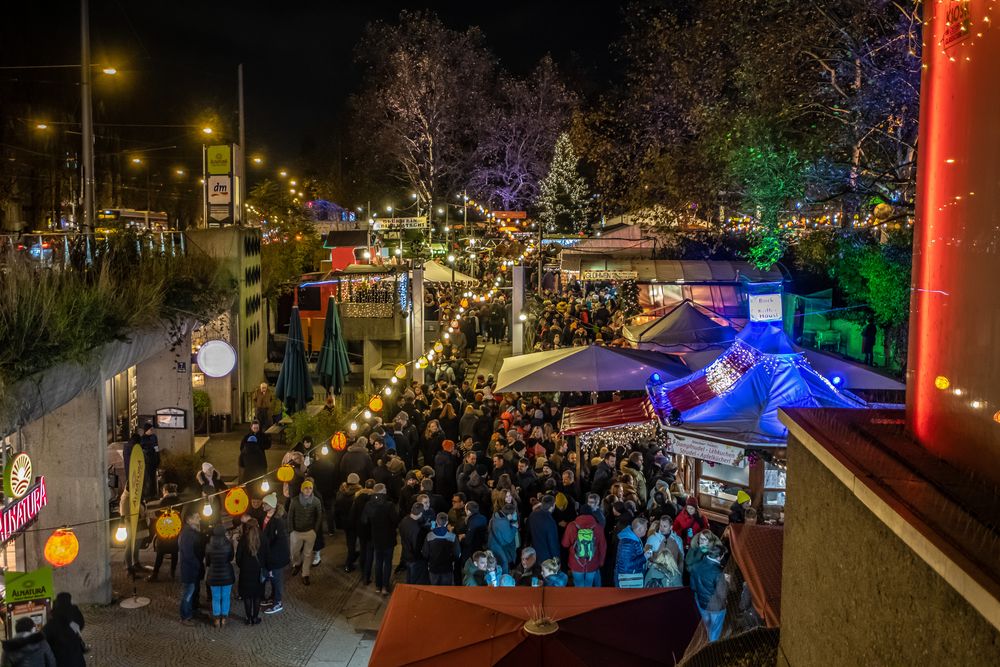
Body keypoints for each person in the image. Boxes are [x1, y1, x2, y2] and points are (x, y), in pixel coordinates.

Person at [687, 533, 729, 641]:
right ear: (719, 557)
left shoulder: (696, 566)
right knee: (714, 631)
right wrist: (727, 582)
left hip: (701, 604)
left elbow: (693, 587)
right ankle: (711, 649)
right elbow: (722, 595)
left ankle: (705, 640)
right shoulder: (718, 573)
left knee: (707, 626)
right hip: (716, 608)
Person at [360, 483, 399, 594]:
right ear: (383, 492)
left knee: (378, 562)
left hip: (375, 538)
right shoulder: (389, 505)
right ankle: (385, 587)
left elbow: (364, 521)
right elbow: (395, 521)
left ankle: (378, 586)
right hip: (388, 538)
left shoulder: (369, 505)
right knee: (387, 563)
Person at [286, 480, 323, 586]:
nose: (308, 490)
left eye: (310, 488)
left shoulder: (316, 501)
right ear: (302, 489)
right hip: (296, 532)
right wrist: (291, 530)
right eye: (306, 488)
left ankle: (305, 574)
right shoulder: (295, 501)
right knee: (294, 552)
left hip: (309, 532)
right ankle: (297, 564)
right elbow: (290, 516)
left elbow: (319, 515)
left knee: (307, 554)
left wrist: (315, 530)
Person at [562, 502, 606, 587]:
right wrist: (601, 562)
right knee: (589, 585)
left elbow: (565, 544)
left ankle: (580, 599)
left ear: (579, 513)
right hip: (592, 563)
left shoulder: (571, 526)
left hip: (576, 562)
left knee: (579, 585)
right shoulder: (598, 527)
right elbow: (602, 547)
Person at [260, 493, 290, 614]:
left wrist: (270, 557)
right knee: (272, 579)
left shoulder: (278, 522)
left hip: (275, 557)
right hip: (269, 555)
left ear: (271, 505)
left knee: (276, 580)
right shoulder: (267, 516)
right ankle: (273, 598)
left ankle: (278, 602)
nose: (262, 505)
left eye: (265, 504)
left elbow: (279, 543)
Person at [147, 483, 180, 582]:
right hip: (175, 528)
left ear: (165, 491)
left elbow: (157, 513)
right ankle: (172, 572)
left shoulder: (164, 501)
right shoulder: (178, 500)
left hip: (164, 528)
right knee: (174, 552)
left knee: (160, 552)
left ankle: (155, 574)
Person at [42, 593, 86, 667]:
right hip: (77, 659)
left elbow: (44, 637)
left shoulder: (53, 622)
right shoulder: (75, 612)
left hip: (61, 660)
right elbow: (81, 624)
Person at [204, 524, 235, 628]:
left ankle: (217, 619)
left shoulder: (208, 545)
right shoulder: (228, 544)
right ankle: (224, 618)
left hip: (213, 575)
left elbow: (207, 561)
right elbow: (231, 558)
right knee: (226, 597)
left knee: (215, 597)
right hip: (227, 574)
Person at [236, 518, 265, 625]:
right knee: (257, 597)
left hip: (245, 573)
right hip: (258, 573)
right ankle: (255, 617)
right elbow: (267, 555)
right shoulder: (263, 538)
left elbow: (238, 557)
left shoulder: (243, 539)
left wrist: (243, 566)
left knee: (247, 597)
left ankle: (248, 618)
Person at [178, 511, 205, 626]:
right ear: (189, 520)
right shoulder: (187, 534)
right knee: (187, 594)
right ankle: (185, 616)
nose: (199, 519)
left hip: (193, 568)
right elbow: (188, 554)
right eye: (197, 517)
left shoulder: (191, 532)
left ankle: (193, 610)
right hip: (189, 569)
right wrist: (197, 565)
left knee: (192, 591)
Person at [422, 512, 460, 585]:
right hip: (447, 568)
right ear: (447, 522)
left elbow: (425, 553)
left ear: (436, 521)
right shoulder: (452, 537)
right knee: (446, 590)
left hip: (433, 568)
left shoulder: (429, 536)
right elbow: (457, 554)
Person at [398, 502, 430, 585]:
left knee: (409, 577)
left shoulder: (404, 521)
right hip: (415, 559)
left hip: (406, 555)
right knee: (416, 581)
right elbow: (416, 546)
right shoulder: (416, 529)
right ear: (421, 513)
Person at [615, 517, 650, 588]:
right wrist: (644, 557)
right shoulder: (628, 543)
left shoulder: (633, 538)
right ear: (639, 529)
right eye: (645, 528)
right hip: (628, 579)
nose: (647, 529)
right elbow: (627, 565)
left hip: (631, 576)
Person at [488, 503, 520, 574]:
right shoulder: (503, 523)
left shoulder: (496, 516)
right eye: (514, 513)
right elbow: (508, 539)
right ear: (509, 515)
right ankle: (504, 580)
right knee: (503, 563)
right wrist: (514, 527)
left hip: (493, 543)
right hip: (497, 547)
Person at [527, 495, 560, 564]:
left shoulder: (532, 515)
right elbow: (553, 543)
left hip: (535, 553)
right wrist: (556, 560)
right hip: (547, 557)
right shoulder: (550, 521)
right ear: (553, 506)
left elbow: (529, 533)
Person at [139, 421, 161, 500]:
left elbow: (156, 447)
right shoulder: (142, 439)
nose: (152, 431)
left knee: (154, 477)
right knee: (148, 478)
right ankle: (148, 495)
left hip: (154, 459)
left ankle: (154, 493)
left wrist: (158, 456)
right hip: (147, 461)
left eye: (152, 429)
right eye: (150, 429)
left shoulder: (154, 437)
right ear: (146, 430)